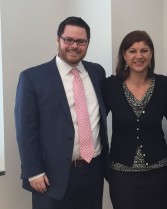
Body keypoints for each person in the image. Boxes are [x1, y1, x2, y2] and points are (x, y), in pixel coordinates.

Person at [14, 16, 109, 209]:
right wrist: (34, 171)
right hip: (51, 175)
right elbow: (26, 129)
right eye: (68, 40)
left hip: (93, 171)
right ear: (58, 39)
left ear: (87, 43)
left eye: (81, 41)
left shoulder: (97, 72)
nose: (74, 46)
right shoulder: (33, 78)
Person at [103, 30, 167, 209]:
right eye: (132, 51)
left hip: (159, 173)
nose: (138, 56)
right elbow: (96, 120)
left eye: (144, 50)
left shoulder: (164, 85)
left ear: (151, 54)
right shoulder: (110, 86)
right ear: (124, 55)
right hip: (122, 175)